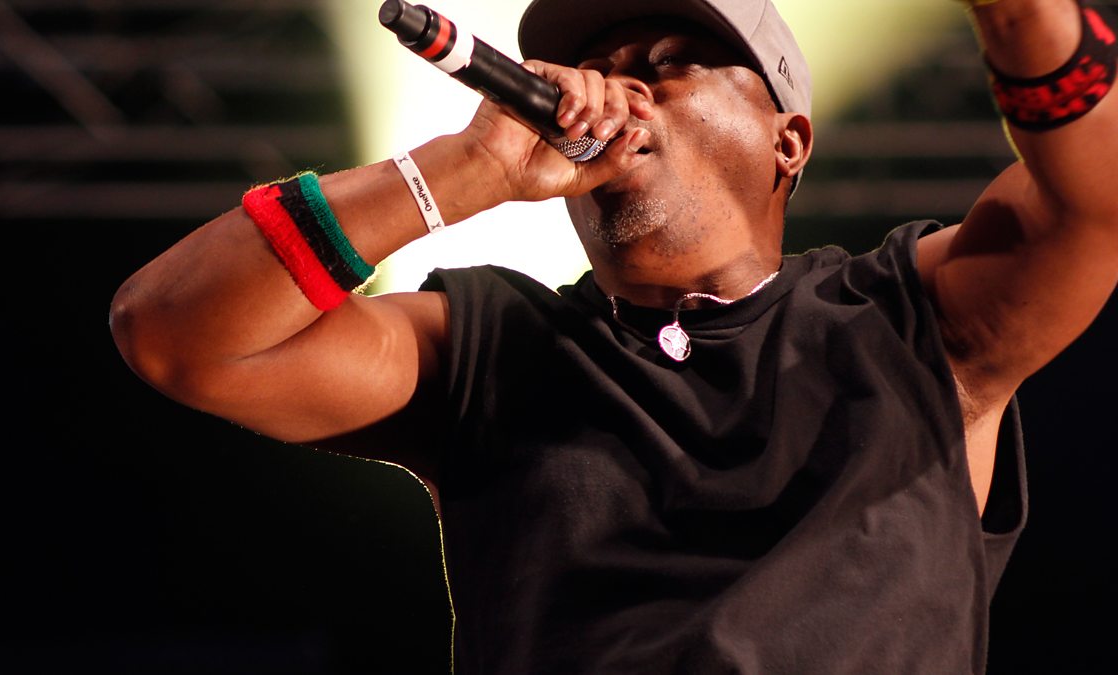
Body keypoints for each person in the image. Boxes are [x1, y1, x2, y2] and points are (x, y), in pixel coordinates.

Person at [109, 0, 1117, 672]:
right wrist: (459, 173)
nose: (618, 89)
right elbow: (173, 333)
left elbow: (1091, 208)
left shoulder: (907, 316)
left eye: (669, 66)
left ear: (787, 142)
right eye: (597, 69)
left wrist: (1021, 15)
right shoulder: (495, 348)